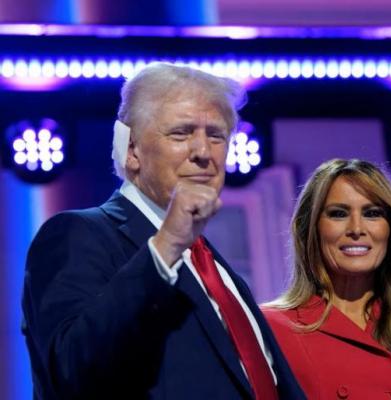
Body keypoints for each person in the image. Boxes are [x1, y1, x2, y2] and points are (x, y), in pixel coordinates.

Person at [21, 62, 305, 400]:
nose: (203, 152)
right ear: (131, 150)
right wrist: (166, 245)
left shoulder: (212, 265)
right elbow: (70, 372)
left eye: (216, 135)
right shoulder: (77, 234)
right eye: (181, 133)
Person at [262, 158, 391, 400]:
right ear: (311, 230)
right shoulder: (271, 328)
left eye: (372, 213)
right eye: (338, 214)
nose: (357, 228)